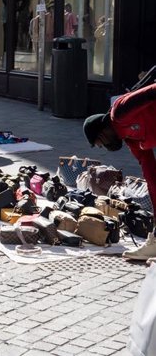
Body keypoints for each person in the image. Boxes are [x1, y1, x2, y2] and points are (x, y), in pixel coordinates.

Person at [83, 83, 156, 260]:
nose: (105, 147)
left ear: (103, 130)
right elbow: (150, 172)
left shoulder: (120, 111)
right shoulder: (131, 140)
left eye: (101, 143)